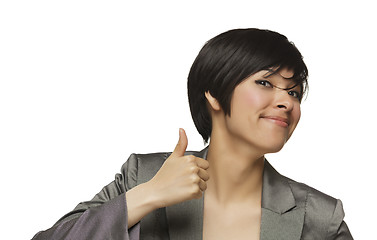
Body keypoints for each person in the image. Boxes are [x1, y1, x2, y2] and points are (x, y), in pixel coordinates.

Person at [32, 28, 353, 239]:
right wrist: (148, 195)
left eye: (294, 93)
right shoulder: (141, 176)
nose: (286, 101)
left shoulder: (320, 217)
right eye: (266, 83)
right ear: (214, 92)